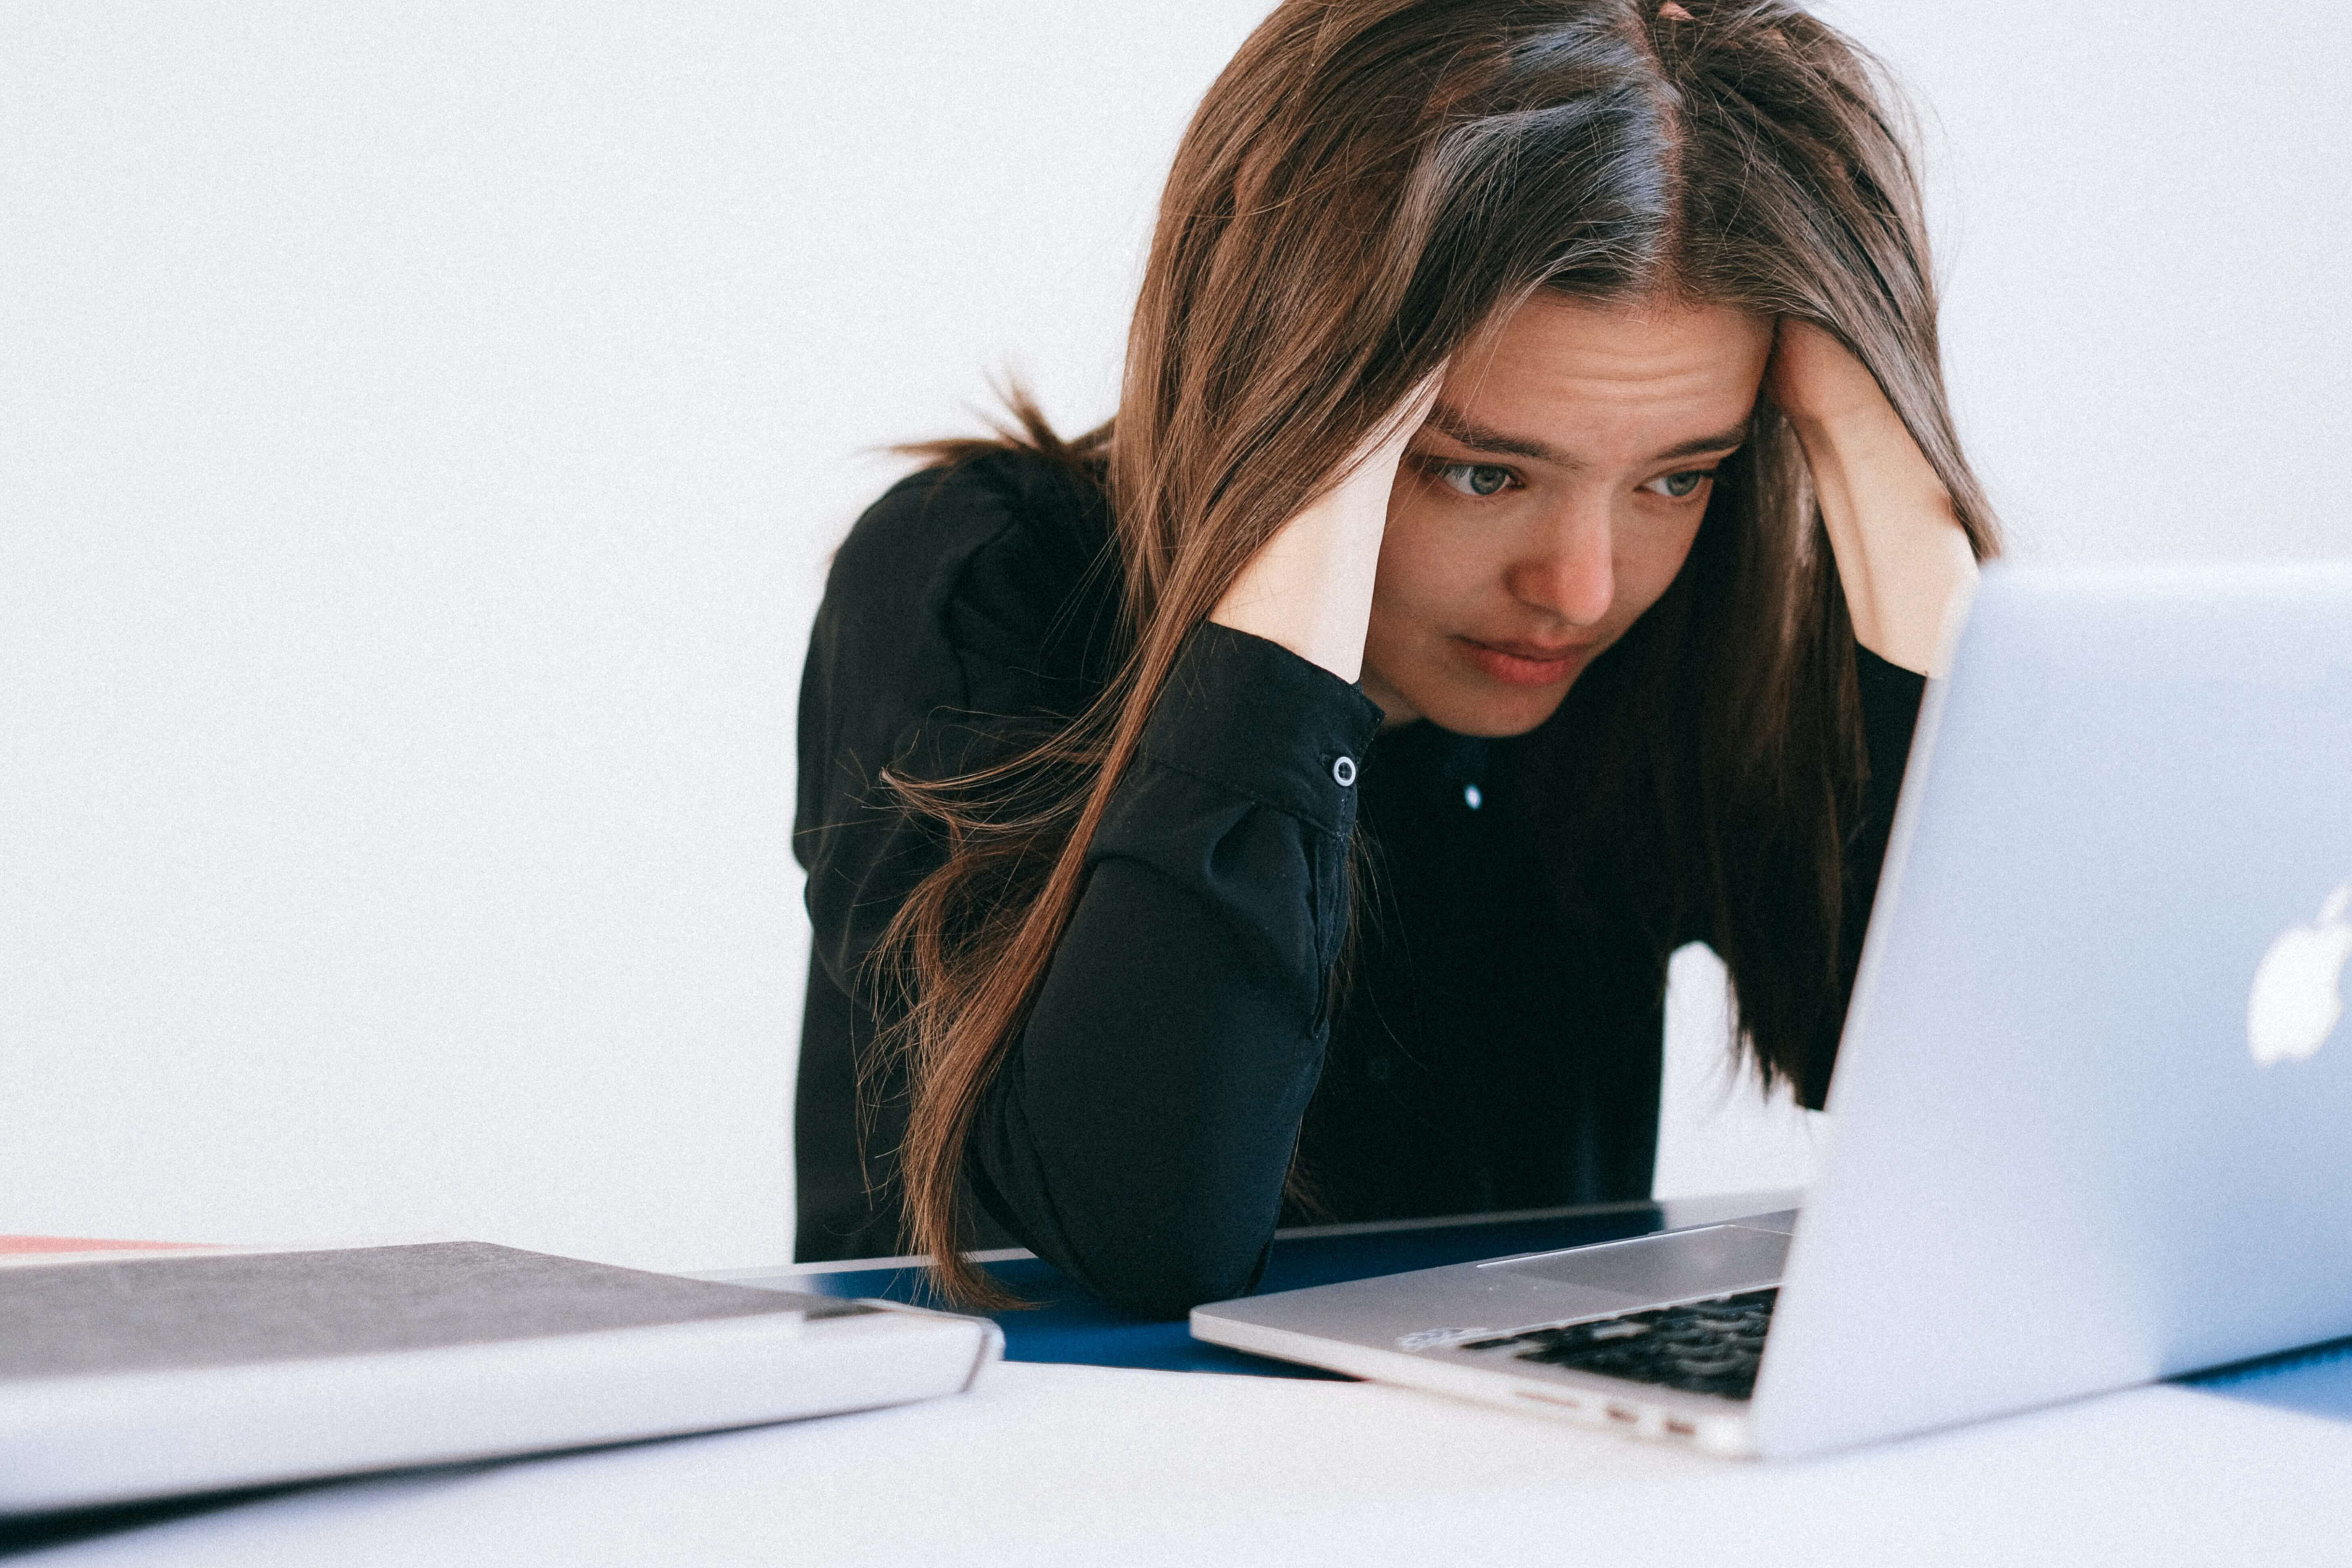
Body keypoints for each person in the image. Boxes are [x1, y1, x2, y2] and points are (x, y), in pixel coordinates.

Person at [794, 0, 1996, 1317]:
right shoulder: (978, 582)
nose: (1581, 590)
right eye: (1480, 471)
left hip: (1507, 1485)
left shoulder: (1671, 631)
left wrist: (1891, 450)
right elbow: (1149, 1229)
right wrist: (1309, 474)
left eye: (1677, 476)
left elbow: (1980, 1100)